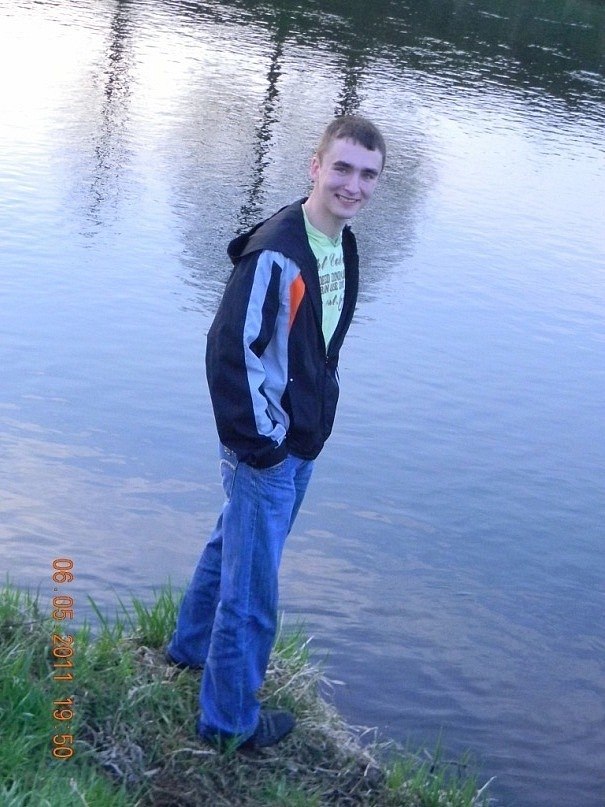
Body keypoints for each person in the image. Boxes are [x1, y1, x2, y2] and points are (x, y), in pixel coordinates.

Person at [166, 115, 386, 751]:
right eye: (341, 168)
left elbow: (317, 347)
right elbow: (229, 353)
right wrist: (263, 446)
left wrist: (307, 425)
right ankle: (229, 721)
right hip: (268, 445)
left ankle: (188, 649)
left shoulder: (340, 245)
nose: (352, 185)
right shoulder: (276, 253)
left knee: (233, 545)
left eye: (367, 174)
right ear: (315, 166)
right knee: (253, 590)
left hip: (300, 437)